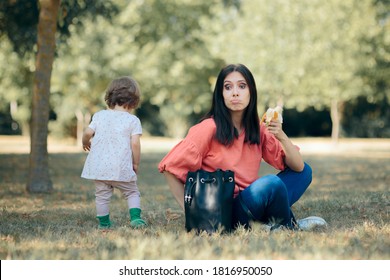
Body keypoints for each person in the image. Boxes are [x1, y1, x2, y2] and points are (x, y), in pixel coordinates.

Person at [158, 63, 327, 231]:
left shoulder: (257, 129)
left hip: (252, 202)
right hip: (224, 211)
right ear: (221, 94)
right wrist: (193, 215)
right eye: (228, 87)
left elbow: (297, 167)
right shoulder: (209, 128)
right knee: (271, 183)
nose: (235, 92)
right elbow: (170, 168)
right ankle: (289, 226)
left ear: (251, 92)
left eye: (242, 86)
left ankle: (269, 225)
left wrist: (281, 135)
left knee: (305, 172)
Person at [81, 76, 147, 230]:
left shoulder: (99, 115)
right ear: (134, 100)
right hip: (120, 166)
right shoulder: (132, 120)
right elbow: (135, 143)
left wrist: (85, 142)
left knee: (102, 196)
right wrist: (135, 163)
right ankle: (136, 219)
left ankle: (104, 224)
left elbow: (87, 132)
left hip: (99, 167)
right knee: (131, 192)